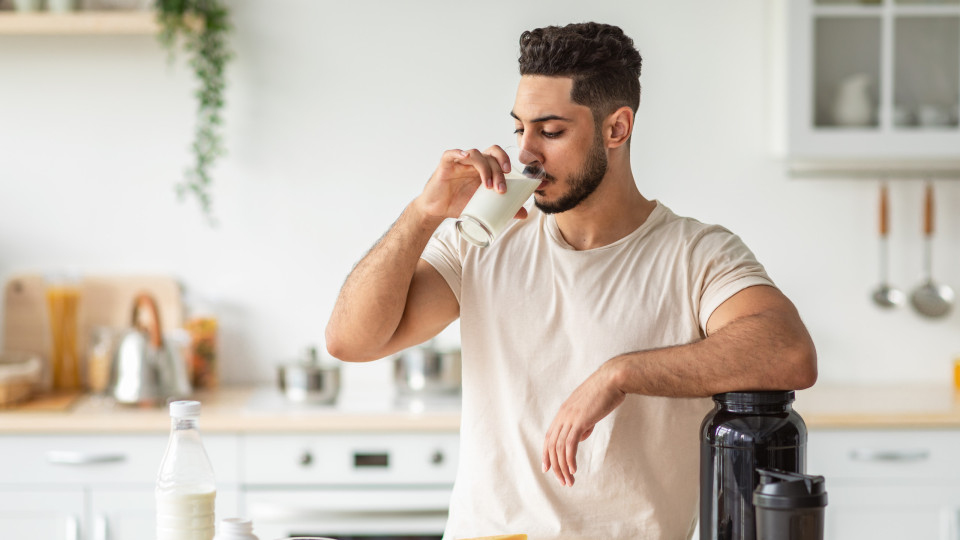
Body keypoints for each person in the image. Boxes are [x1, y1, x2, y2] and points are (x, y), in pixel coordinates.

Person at [326, 22, 817, 540]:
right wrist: (422, 214)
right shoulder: (484, 238)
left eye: (551, 131)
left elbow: (788, 352)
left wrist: (619, 374)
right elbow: (351, 341)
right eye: (520, 129)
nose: (526, 153)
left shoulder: (695, 253)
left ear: (617, 129)